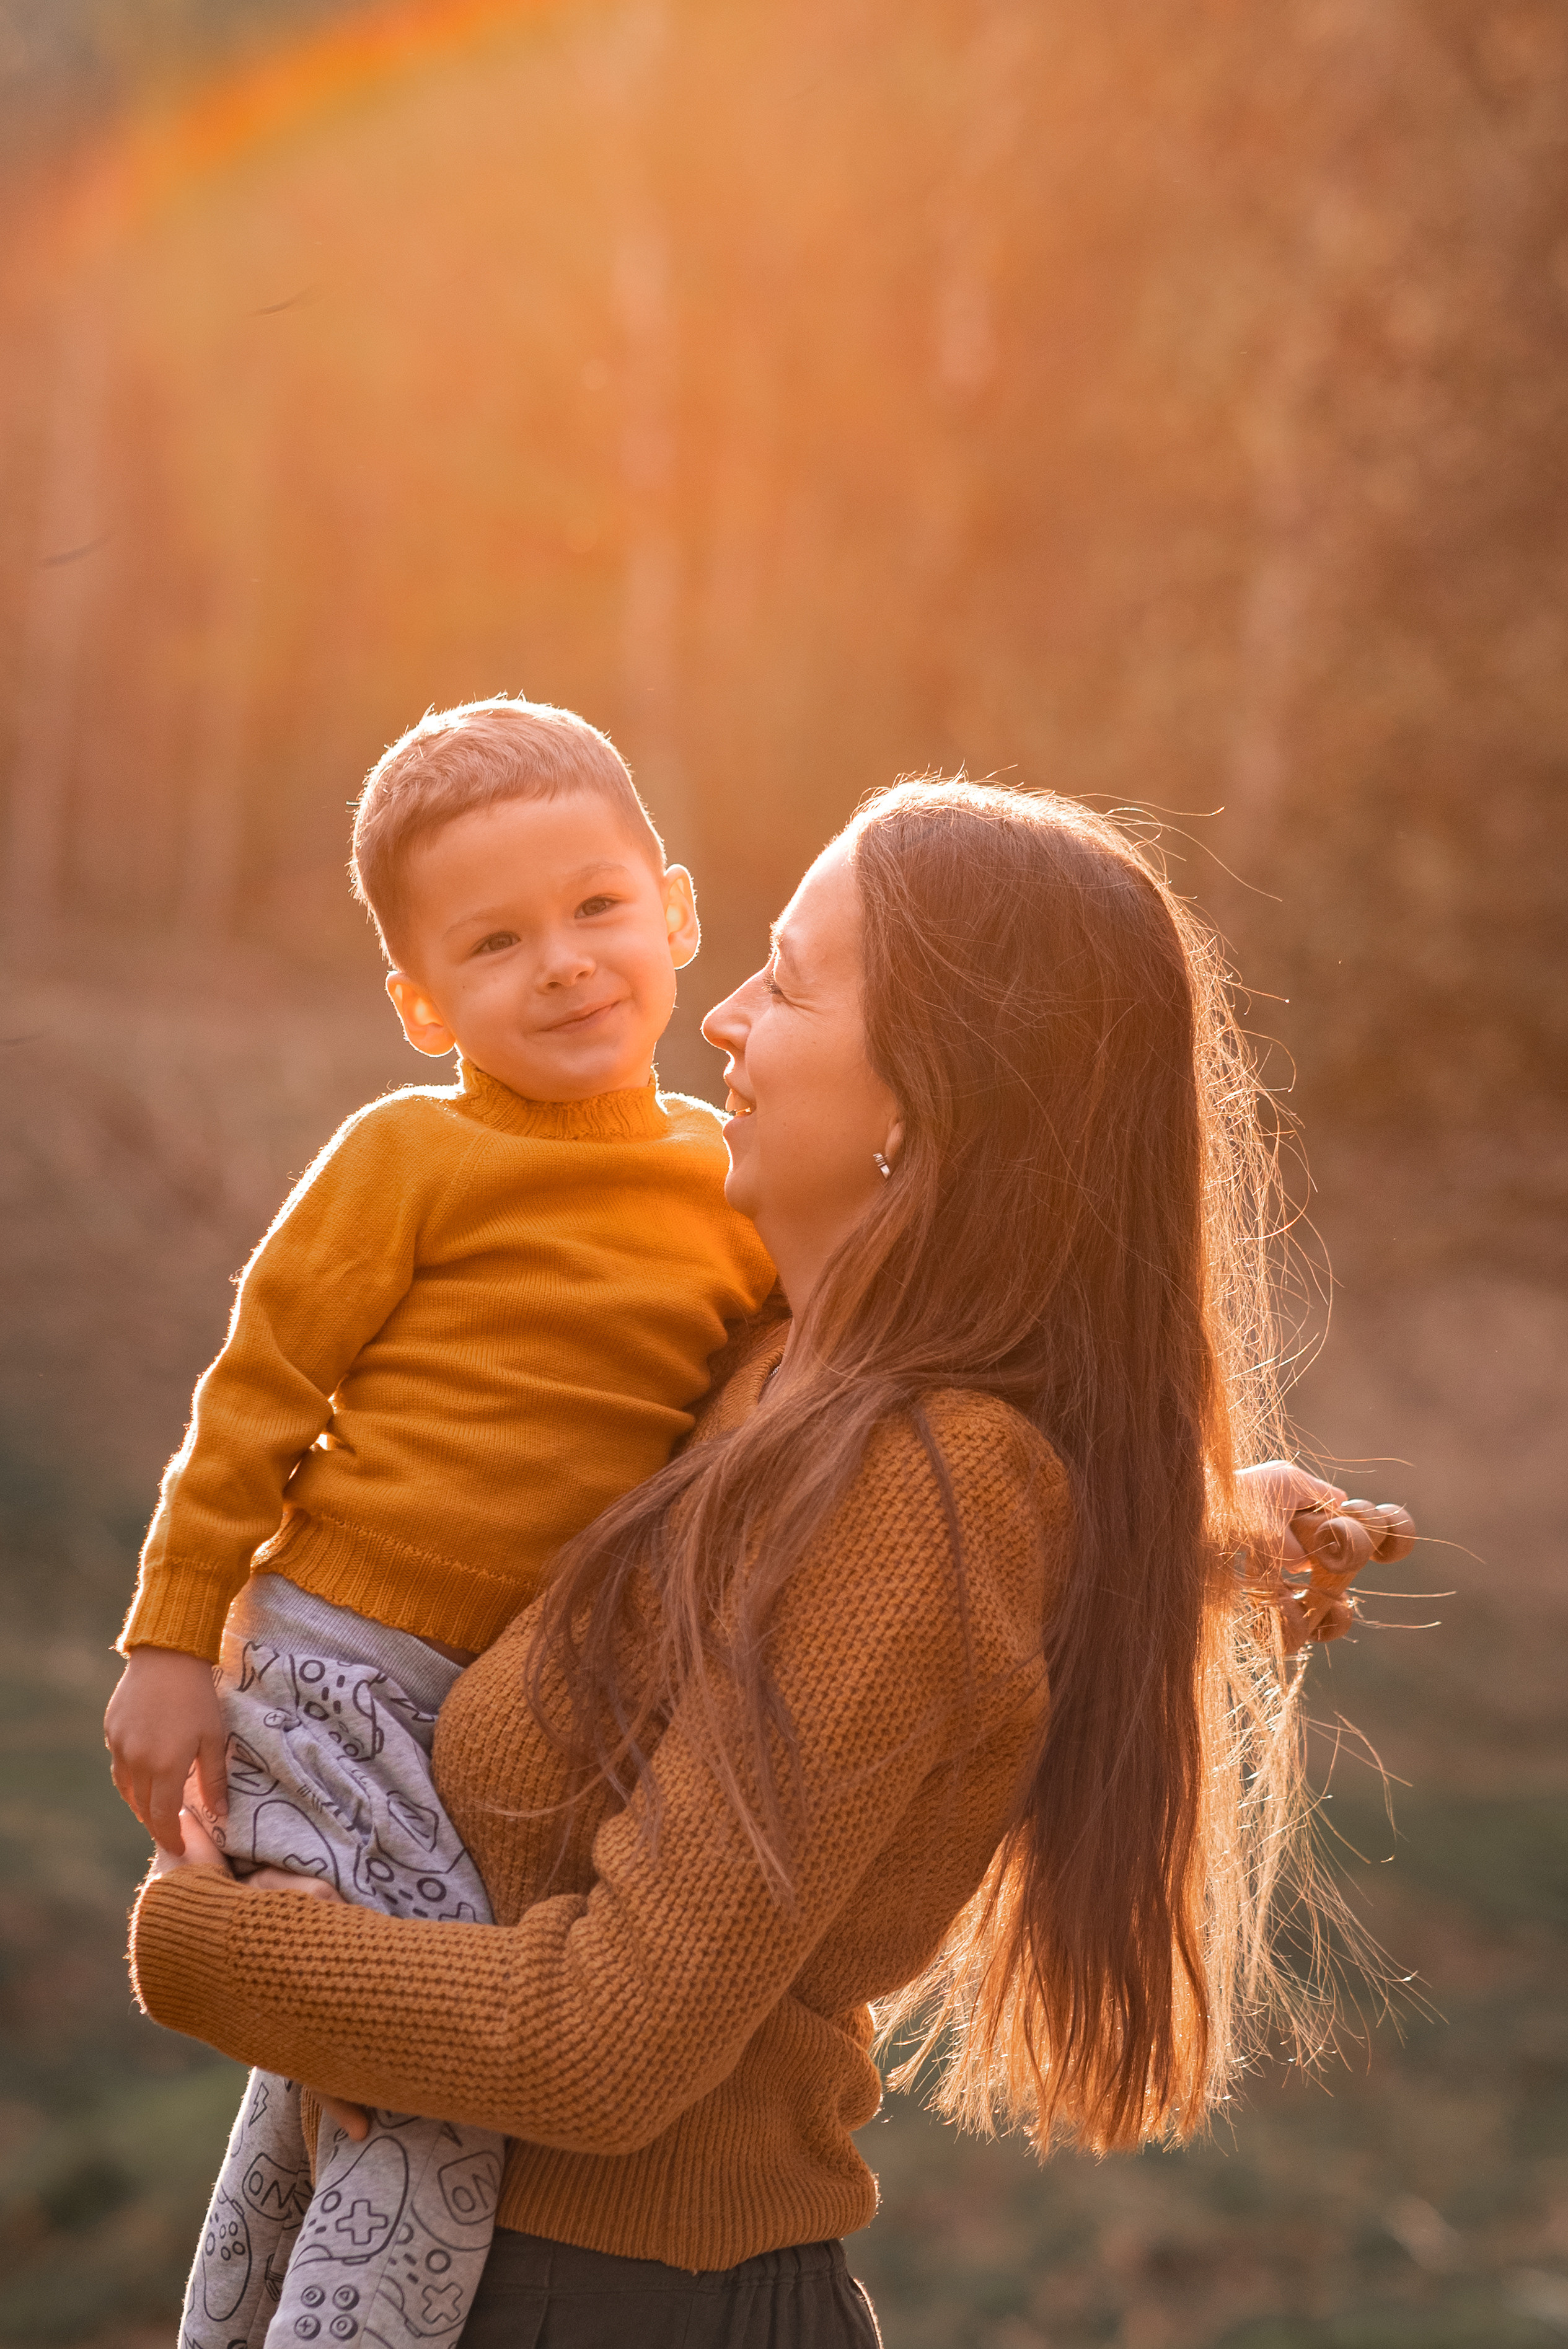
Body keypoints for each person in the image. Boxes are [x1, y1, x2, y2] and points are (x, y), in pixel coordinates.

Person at [130, 779, 1412, 2349]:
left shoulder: (914, 1482)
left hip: (610, 2300)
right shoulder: (774, 1374)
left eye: (790, 980)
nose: (721, 1017)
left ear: (922, 1096)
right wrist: (1190, 1526)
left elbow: (607, 2044)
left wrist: (204, 1941)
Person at [104, 698, 775, 2347]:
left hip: (499, 1707)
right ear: (421, 1003)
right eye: (496, 940)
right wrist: (172, 1639)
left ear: (677, 910)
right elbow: (256, 1394)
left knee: (345, 2054)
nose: (562, 962)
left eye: (597, 907)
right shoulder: (410, 1152)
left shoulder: (729, 1182)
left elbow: (866, 1367)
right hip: (334, 1669)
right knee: (437, 2074)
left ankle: (241, 2313)